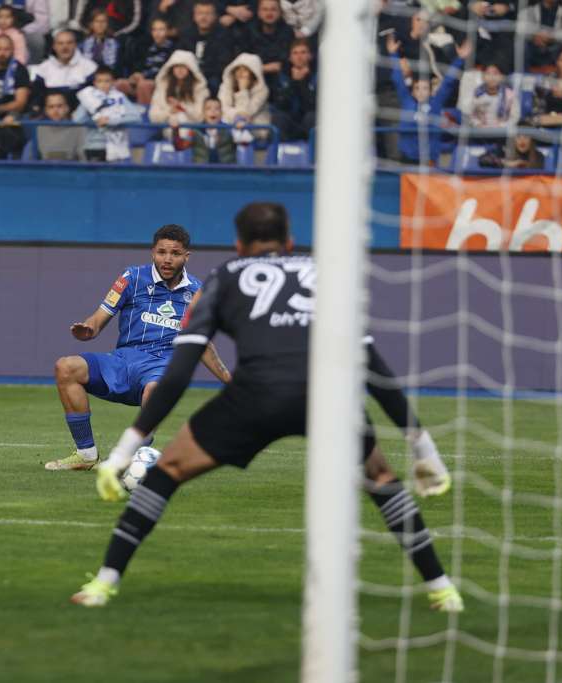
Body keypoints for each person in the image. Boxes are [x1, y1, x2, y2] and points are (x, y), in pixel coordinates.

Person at [69, 202, 463, 615]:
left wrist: (124, 451)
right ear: (289, 242)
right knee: (382, 479)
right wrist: (424, 449)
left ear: (239, 245)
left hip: (254, 398)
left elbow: (181, 369)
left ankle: (104, 583)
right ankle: (443, 589)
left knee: (166, 473)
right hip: (325, 398)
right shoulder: (326, 275)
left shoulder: (223, 278)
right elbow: (373, 366)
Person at [45, 224, 231, 471]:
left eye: (175, 253)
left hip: (162, 367)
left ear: (187, 256)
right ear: (152, 252)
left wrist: (230, 381)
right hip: (123, 362)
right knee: (66, 367)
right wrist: (88, 329)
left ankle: (128, 459)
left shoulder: (197, 292)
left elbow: (202, 343)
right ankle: (86, 455)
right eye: (161, 252)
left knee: (156, 389)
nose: (167, 259)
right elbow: (98, 319)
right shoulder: (131, 278)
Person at [388, 35, 469, 166]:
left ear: (431, 92)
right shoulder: (406, 101)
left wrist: (460, 59)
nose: (421, 92)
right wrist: (393, 54)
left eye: (425, 88)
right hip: (407, 159)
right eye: (417, 88)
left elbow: (448, 82)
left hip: (429, 161)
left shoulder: (435, 103)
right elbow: (397, 79)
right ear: (412, 91)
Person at [73, 65, 142, 162]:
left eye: (107, 81)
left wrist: (111, 121)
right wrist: (96, 118)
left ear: (113, 82)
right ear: (94, 83)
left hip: (118, 146)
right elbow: (77, 120)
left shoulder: (119, 97)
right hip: (95, 145)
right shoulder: (88, 97)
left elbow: (136, 117)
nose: (103, 84)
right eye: (100, 81)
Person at [29, 29, 98, 111]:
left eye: (69, 43)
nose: (65, 47)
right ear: (54, 46)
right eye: (60, 43)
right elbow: (37, 98)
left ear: (75, 45)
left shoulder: (90, 67)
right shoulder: (43, 68)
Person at [177, 0, 234, 95]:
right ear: (194, 16)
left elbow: (223, 63)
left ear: (215, 16)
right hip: (188, 75)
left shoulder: (224, 36)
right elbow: (179, 57)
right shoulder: (186, 35)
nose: (203, 17)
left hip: (213, 77)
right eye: (200, 13)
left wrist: (201, 75)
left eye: (208, 13)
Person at [117, 17, 174, 105]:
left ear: (168, 31)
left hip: (159, 82)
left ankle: (145, 112)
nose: (157, 33)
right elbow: (137, 66)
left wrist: (144, 77)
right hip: (142, 80)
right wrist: (136, 74)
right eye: (154, 30)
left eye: (161, 29)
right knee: (120, 84)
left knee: (144, 85)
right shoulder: (146, 47)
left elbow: (168, 73)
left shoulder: (173, 49)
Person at [217, 52, 271, 144]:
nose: (240, 73)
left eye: (245, 70)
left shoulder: (262, 90)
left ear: (253, 73)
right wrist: (236, 117)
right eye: (238, 69)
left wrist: (243, 90)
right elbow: (223, 108)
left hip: (255, 130)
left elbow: (246, 113)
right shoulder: (226, 85)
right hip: (229, 125)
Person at [148, 50, 208, 131]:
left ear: (191, 69)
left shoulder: (199, 89)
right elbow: (153, 116)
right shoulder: (163, 87)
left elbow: (200, 117)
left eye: (183, 66)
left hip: (191, 132)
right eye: (176, 66)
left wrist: (182, 108)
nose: (180, 69)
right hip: (166, 130)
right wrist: (169, 111)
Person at [269, 38, 315, 142]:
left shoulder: (317, 76)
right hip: (291, 124)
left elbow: (313, 105)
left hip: (309, 123)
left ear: (310, 56)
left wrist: (302, 83)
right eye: (295, 53)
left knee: (311, 117)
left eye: (303, 52)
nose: (299, 57)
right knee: (278, 118)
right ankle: (280, 150)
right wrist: (294, 82)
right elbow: (280, 104)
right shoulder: (282, 76)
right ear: (290, 58)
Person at [243, 0, 295, 89]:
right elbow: (244, 57)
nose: (269, 13)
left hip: (280, 77)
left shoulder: (287, 32)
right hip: (254, 76)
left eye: (273, 9)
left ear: (280, 13)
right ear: (259, 13)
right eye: (265, 9)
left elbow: (287, 59)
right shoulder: (249, 31)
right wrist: (263, 68)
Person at [36, 91, 85, 160]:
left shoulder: (79, 129)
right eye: (51, 107)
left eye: (59, 106)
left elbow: (83, 157)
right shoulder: (38, 129)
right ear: (46, 110)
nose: (55, 110)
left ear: (67, 108)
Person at [187, 96, 235, 163]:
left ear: (221, 112)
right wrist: (176, 131)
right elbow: (180, 146)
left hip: (225, 169)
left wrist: (240, 130)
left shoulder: (229, 129)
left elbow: (244, 143)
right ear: (203, 112)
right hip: (202, 169)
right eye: (208, 108)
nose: (213, 111)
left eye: (217, 108)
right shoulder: (195, 130)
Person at [477, 125, 546, 169]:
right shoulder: (503, 152)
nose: (522, 140)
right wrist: (506, 163)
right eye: (518, 136)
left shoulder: (538, 156)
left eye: (526, 136)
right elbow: (482, 160)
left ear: (532, 140)